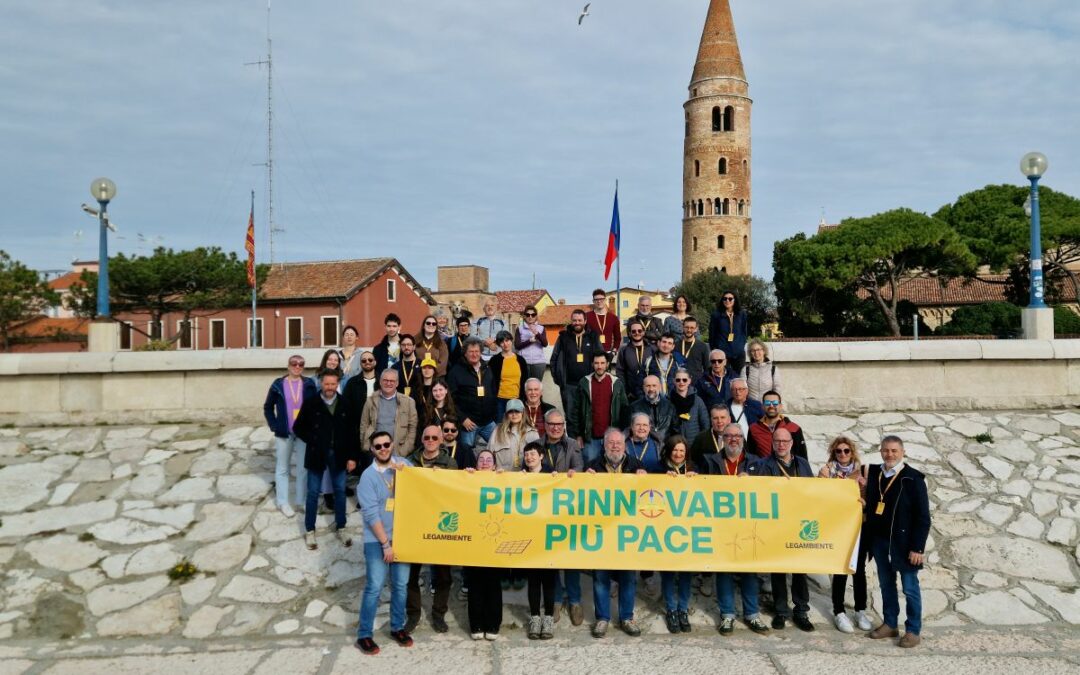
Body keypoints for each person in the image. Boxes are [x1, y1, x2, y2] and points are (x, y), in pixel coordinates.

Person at [746, 428, 816, 632]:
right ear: (772, 443)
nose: (781, 444)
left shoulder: (802, 464)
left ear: (792, 443)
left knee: (800, 569)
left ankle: (801, 611)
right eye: (777, 441)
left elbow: (813, 490)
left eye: (785, 441)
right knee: (778, 570)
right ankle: (781, 612)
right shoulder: (763, 465)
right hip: (775, 524)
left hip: (798, 522)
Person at [866, 435, 931, 648]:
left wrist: (917, 547)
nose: (890, 454)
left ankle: (913, 630)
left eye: (894, 450)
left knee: (910, 588)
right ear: (880, 451)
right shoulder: (874, 473)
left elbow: (923, 517)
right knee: (886, 584)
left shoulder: (913, 478)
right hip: (880, 540)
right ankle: (890, 623)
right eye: (886, 450)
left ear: (902, 452)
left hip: (904, 544)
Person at [355, 430, 413, 655]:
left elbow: (422, 485)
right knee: (374, 586)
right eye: (378, 446)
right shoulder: (368, 477)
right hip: (377, 539)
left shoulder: (403, 465)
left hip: (403, 535)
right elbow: (371, 514)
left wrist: (407, 473)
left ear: (392, 444)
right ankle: (364, 634)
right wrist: (385, 544)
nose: (383, 449)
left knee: (400, 585)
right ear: (372, 449)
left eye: (386, 444)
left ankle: (397, 627)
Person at [710, 426, 770, 637]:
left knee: (749, 570)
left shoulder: (756, 462)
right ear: (722, 439)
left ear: (743, 439)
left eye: (737, 436)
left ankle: (752, 613)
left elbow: (768, 488)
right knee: (724, 570)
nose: (733, 439)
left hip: (747, 524)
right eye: (728, 436)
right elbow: (699, 486)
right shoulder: (711, 462)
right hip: (721, 525)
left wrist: (753, 482)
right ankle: (727, 614)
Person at [586, 427, 646, 638]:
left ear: (624, 445)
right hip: (601, 531)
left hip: (628, 531)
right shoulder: (593, 466)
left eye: (618, 443)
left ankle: (627, 617)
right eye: (610, 443)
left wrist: (645, 478)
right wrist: (583, 479)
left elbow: (648, 495)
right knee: (600, 576)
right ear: (604, 445)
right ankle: (602, 618)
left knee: (628, 576)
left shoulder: (636, 466)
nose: (614, 446)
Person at [292, 368, 359, 551]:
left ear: (337, 384)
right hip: (316, 453)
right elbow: (298, 428)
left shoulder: (345, 403)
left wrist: (352, 457)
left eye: (333, 384)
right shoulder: (311, 403)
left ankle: (341, 527)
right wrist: (314, 439)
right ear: (321, 383)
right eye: (326, 383)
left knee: (340, 491)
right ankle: (310, 530)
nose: (329, 387)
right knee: (313, 493)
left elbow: (353, 432)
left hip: (339, 454)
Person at [404, 425, 456, 634]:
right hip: (415, 522)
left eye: (435, 437)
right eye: (427, 437)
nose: (431, 440)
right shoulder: (409, 461)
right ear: (422, 439)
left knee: (443, 575)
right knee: (410, 574)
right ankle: (413, 614)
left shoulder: (450, 463)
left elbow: (456, 490)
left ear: (441, 440)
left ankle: (438, 614)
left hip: (440, 523)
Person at [819, 436, 872, 634]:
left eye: (846, 450)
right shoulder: (827, 472)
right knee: (840, 568)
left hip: (859, 525)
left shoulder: (863, 472)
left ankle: (860, 610)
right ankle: (839, 611)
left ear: (852, 452)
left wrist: (865, 501)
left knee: (859, 569)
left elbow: (872, 497)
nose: (842, 454)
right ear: (834, 453)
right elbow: (819, 496)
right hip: (838, 525)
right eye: (839, 451)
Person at [263, 354, 318, 517]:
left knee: (303, 468)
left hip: (303, 433)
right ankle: (283, 502)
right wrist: (274, 425)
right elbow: (268, 407)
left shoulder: (309, 384)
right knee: (282, 468)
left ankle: (301, 501)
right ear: (288, 366)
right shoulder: (278, 385)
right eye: (294, 363)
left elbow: (315, 406)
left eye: (301, 364)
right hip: (284, 433)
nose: (297, 366)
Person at [654, 435, 696, 634]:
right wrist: (662, 479)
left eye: (682, 451)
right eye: (675, 450)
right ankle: (671, 609)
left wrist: (697, 479)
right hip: (666, 527)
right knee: (669, 571)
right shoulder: (658, 468)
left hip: (688, 528)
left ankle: (683, 609)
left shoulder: (694, 468)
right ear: (669, 451)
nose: (678, 454)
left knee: (686, 571)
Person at [463, 448, 504, 640]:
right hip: (473, 540)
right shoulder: (468, 480)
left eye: (489, 460)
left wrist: (508, 478)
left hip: (495, 539)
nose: (485, 462)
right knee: (475, 584)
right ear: (476, 463)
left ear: (494, 465)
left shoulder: (502, 480)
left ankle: (493, 624)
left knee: (493, 584)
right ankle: (476, 624)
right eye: (481, 459)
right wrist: (465, 477)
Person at [520, 441, 556, 640]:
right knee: (533, 580)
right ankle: (535, 618)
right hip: (530, 535)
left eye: (533, 454)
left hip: (549, 535)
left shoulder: (553, 476)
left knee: (549, 580)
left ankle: (548, 618)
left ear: (541, 456)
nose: (529, 457)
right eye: (526, 454)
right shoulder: (519, 476)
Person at [570, 352, 629, 465]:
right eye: (596, 363)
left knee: (613, 468)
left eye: (602, 363)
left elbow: (624, 409)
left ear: (607, 364)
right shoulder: (584, 383)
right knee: (590, 468)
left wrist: (622, 434)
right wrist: (578, 435)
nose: (599, 366)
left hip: (612, 439)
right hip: (590, 438)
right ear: (592, 364)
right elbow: (575, 411)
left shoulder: (616, 383)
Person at [549, 309, 602, 419]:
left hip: (589, 385)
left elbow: (601, 357)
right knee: (570, 417)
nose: (577, 323)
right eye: (574, 320)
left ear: (585, 321)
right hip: (569, 386)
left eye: (579, 320)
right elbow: (554, 359)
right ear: (571, 321)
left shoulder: (593, 336)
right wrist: (558, 379)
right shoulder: (563, 337)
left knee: (588, 417)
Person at [447, 339, 497, 448]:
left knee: (499, 446)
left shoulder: (487, 368)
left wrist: (493, 415)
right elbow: (450, 399)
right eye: (471, 352)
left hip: (488, 422)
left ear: (481, 352)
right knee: (466, 451)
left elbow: (493, 391)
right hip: (469, 423)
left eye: (477, 351)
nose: (474, 354)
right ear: (465, 353)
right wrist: (462, 418)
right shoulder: (455, 372)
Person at [360, 369, 418, 456]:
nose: (388, 383)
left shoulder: (408, 402)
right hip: (376, 452)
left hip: (398, 452)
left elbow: (412, 427)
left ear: (397, 383)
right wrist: (367, 446)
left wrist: (406, 449)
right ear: (380, 382)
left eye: (392, 381)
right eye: (385, 380)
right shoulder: (370, 401)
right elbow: (364, 424)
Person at [746, 390, 808, 460]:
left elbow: (802, 459)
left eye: (775, 403)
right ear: (762, 406)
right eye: (767, 403)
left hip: (787, 467)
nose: (771, 406)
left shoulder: (794, 428)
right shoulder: (753, 428)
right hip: (763, 467)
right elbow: (750, 457)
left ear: (780, 406)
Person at [489, 399, 540, 472]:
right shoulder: (497, 431)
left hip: (524, 477)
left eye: (517, 411)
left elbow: (539, 460)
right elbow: (488, 455)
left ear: (523, 413)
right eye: (510, 412)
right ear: (506, 414)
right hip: (501, 476)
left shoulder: (532, 433)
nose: (514, 414)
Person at [489, 330, 528, 421]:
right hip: (500, 399)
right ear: (499, 344)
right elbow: (490, 381)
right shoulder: (494, 360)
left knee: (516, 425)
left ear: (511, 341)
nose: (505, 344)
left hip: (516, 398)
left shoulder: (520, 360)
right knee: (500, 425)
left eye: (507, 340)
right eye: (502, 342)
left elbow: (525, 380)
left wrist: (523, 398)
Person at [708, 291, 749, 373]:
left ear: (734, 300)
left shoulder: (741, 314)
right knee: (723, 376)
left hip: (738, 352)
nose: (727, 301)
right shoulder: (716, 315)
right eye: (725, 299)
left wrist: (741, 345)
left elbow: (744, 332)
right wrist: (715, 348)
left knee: (738, 377)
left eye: (730, 299)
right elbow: (712, 333)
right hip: (722, 352)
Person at [614, 319, 655, 402]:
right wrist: (625, 391)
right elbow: (620, 372)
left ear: (643, 332)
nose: (637, 333)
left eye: (640, 331)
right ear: (629, 333)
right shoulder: (624, 350)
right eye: (633, 331)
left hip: (650, 392)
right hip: (631, 394)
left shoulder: (652, 349)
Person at [668, 367, 709, 446]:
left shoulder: (698, 401)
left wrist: (702, 443)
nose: (681, 382)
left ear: (689, 381)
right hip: (675, 445)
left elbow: (705, 424)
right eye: (678, 380)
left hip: (694, 444)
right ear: (674, 381)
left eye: (684, 380)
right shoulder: (668, 401)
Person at [628, 375, 674, 440]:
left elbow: (675, 431)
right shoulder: (634, 407)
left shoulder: (670, 406)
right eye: (648, 386)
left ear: (660, 387)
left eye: (654, 385)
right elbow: (629, 431)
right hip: (644, 444)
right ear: (643, 388)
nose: (651, 389)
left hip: (666, 444)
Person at [342, 351, 378, 426]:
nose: (367, 362)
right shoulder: (352, 383)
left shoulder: (382, 381)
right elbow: (346, 406)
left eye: (370, 360)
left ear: (375, 362)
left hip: (379, 426)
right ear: (360, 363)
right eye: (364, 360)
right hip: (358, 426)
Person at [690, 405, 732, 470]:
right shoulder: (701, 438)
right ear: (711, 420)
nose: (719, 421)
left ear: (729, 419)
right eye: (715, 418)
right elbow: (692, 461)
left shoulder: (737, 437)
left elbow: (745, 461)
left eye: (722, 417)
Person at [515, 305, 548, 382]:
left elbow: (545, 344)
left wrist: (537, 333)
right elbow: (517, 346)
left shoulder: (541, 328)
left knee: (536, 386)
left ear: (536, 316)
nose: (530, 317)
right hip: (524, 362)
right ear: (524, 316)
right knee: (525, 386)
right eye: (528, 315)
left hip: (539, 363)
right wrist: (529, 341)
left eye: (533, 315)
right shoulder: (519, 329)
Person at [585, 288, 620, 354]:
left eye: (601, 299)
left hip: (608, 353)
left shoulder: (613, 318)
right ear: (593, 301)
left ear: (605, 300)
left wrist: (614, 351)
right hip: (591, 353)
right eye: (596, 299)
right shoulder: (586, 317)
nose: (599, 301)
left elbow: (617, 338)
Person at [338, 325, 363, 389]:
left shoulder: (361, 355)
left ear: (356, 337)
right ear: (343, 337)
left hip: (356, 388)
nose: (349, 337)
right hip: (339, 388)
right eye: (347, 335)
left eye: (352, 335)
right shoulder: (337, 355)